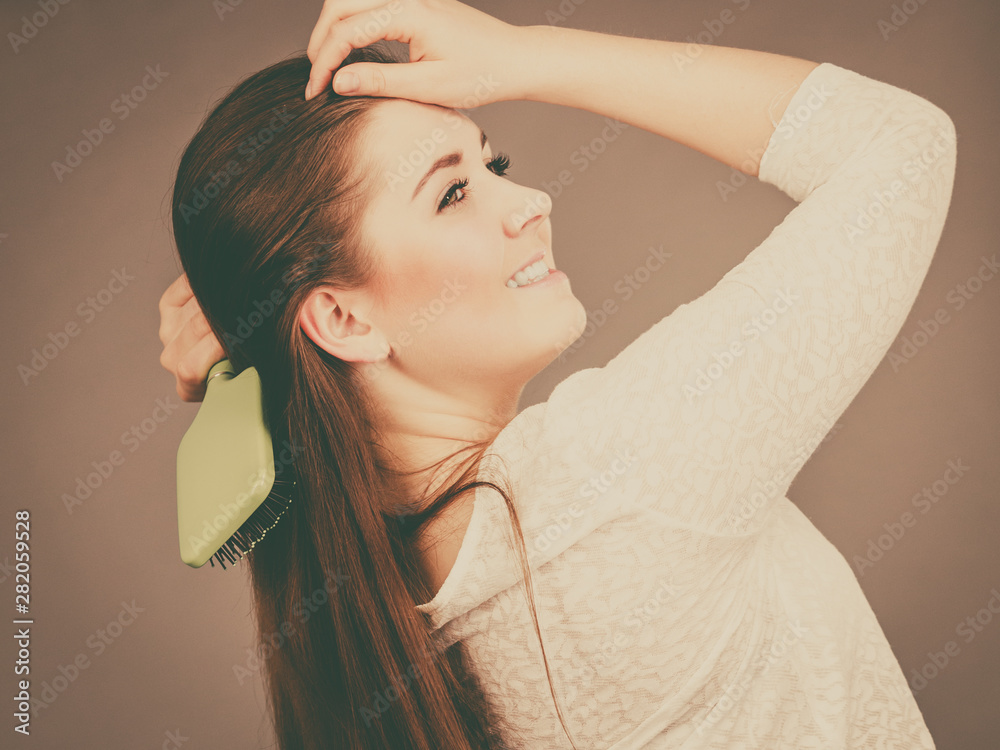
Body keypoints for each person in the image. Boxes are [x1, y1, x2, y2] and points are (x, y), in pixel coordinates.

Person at [158, 1, 957, 747]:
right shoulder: (617, 482)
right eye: (454, 192)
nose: (533, 200)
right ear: (343, 321)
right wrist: (524, 53)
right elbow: (901, 146)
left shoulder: (367, 601)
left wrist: (253, 340)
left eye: (493, 162)